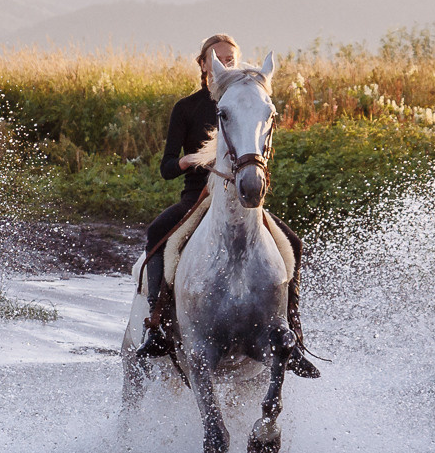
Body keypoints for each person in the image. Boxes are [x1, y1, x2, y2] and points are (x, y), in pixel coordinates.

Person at [136, 34, 317, 375]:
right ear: (204, 65)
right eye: (217, 58)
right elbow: (166, 168)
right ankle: (156, 324)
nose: (225, 63)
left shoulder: (248, 98)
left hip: (242, 196)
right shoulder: (186, 108)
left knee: (292, 242)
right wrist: (188, 162)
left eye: (231, 58)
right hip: (198, 197)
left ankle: (294, 333)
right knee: (159, 233)